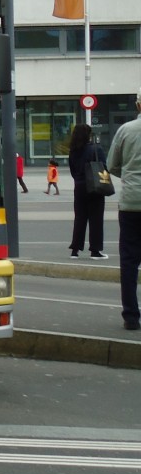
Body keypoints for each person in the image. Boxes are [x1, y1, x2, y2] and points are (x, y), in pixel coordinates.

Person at [106, 88, 141, 331]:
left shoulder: (126, 130)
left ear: (138, 106)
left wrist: (128, 176)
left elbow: (111, 165)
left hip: (131, 203)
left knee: (129, 260)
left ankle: (131, 316)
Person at [68, 123, 106, 259]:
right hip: (94, 187)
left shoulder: (73, 151)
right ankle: (95, 250)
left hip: (78, 187)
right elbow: (104, 167)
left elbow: (72, 170)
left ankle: (75, 250)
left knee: (79, 218)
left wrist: (79, 179)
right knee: (96, 219)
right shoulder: (96, 149)